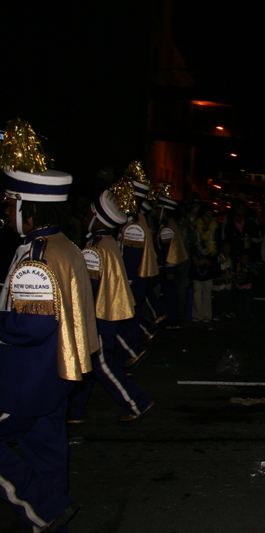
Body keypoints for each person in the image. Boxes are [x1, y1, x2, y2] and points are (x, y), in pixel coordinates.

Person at [0, 118, 97, 531]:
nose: (4, 211)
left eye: (8, 203)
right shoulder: (65, 245)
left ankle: (42, 507)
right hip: (58, 373)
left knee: (36, 454)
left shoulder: (37, 255)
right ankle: (48, 513)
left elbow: (30, 327)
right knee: (47, 453)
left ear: (26, 206)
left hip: (30, 377)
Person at [68, 186, 155, 423]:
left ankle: (137, 402)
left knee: (100, 363)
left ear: (97, 219)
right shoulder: (107, 242)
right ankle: (74, 411)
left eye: (88, 215)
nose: (84, 218)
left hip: (99, 313)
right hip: (107, 310)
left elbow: (90, 289)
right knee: (90, 362)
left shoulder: (94, 249)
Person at [114, 162, 161, 367]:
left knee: (127, 316)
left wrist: (128, 280)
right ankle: (141, 339)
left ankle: (132, 351)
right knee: (131, 314)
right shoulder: (137, 218)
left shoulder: (134, 221)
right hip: (140, 273)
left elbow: (131, 256)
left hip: (136, 274)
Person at [154, 184, 189, 329]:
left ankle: (173, 321)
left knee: (170, 296)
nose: (155, 212)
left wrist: (170, 270)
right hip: (167, 267)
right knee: (169, 295)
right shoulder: (166, 225)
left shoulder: (167, 228)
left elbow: (171, 250)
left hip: (168, 268)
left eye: (157, 209)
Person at [190, 205, 218, 323]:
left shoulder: (215, 230)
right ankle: (197, 315)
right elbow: (190, 245)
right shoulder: (195, 229)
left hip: (208, 263)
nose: (209, 219)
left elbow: (216, 249)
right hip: (196, 262)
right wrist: (194, 259)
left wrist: (206, 260)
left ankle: (207, 315)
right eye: (207, 216)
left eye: (211, 217)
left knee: (207, 290)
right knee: (197, 290)